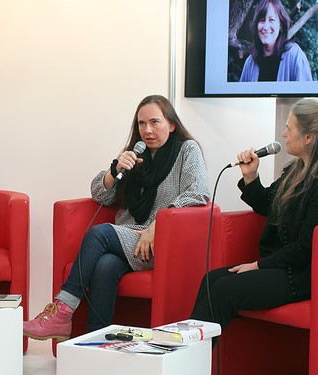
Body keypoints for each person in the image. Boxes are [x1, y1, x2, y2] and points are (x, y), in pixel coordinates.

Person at [24, 95, 211, 341]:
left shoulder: (187, 150)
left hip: (159, 241)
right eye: (141, 124)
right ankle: (97, 345)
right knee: (104, 267)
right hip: (128, 237)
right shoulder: (135, 154)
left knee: (99, 233)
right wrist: (116, 170)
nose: (147, 130)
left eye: (155, 122)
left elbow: (198, 192)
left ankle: (62, 311)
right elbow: (100, 194)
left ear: (172, 124)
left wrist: (159, 224)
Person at [190, 98, 318, 334]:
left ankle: (189, 361)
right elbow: (268, 205)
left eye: (290, 128)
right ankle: (193, 360)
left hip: (300, 275)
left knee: (224, 290)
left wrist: (258, 265)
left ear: (309, 137)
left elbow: (306, 247)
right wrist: (251, 177)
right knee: (211, 280)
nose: (284, 134)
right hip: (280, 267)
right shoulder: (296, 171)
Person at [239, 0, 312, 82]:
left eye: (271, 20)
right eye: (262, 20)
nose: (266, 27)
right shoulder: (250, 63)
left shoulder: (295, 55)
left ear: (281, 25)